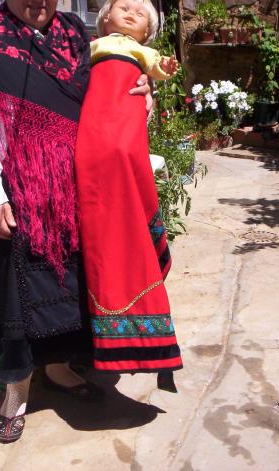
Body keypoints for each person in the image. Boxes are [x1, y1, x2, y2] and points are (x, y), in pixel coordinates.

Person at [0, 0, 152, 444]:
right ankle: (15, 394)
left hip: (79, 188)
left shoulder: (75, 35)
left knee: (72, 291)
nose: (39, 2)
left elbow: (108, 85)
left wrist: (141, 87)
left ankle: (58, 370)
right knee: (22, 299)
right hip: (21, 191)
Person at [74, 0, 183, 384]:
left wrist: (160, 74)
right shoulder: (89, 48)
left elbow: (159, 67)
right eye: (124, 6)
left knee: (126, 178)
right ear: (104, 17)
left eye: (141, 13)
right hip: (92, 134)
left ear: (148, 32)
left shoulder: (140, 54)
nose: (132, 12)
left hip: (123, 131)